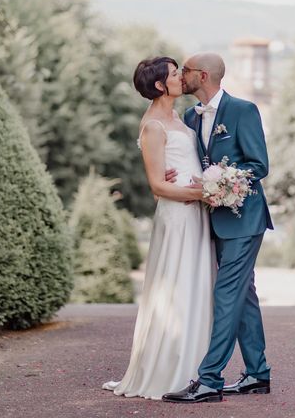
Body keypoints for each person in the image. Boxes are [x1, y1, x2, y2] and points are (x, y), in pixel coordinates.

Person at [101, 57, 217, 400]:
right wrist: (206, 192)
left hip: (194, 211)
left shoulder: (177, 117)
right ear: (159, 86)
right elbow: (158, 187)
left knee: (195, 286)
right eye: (174, 74)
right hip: (179, 215)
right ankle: (170, 369)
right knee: (177, 290)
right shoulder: (153, 125)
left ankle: (195, 367)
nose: (182, 77)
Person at [162, 52, 274, 404]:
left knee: (226, 295)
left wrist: (221, 183)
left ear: (204, 75)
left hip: (244, 221)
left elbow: (259, 165)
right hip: (210, 221)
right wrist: (175, 175)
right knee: (244, 295)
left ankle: (209, 378)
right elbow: (193, 162)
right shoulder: (189, 118)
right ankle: (257, 373)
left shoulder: (243, 110)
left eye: (187, 71)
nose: (182, 76)